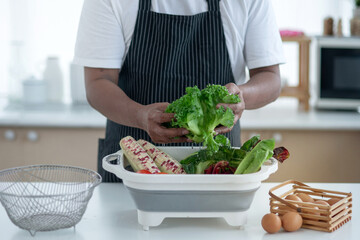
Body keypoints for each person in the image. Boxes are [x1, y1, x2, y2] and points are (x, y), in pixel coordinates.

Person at [73, 0, 285, 182]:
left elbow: (271, 78)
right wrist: (140, 116)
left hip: (218, 172)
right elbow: (98, 82)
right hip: (134, 166)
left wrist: (241, 97)